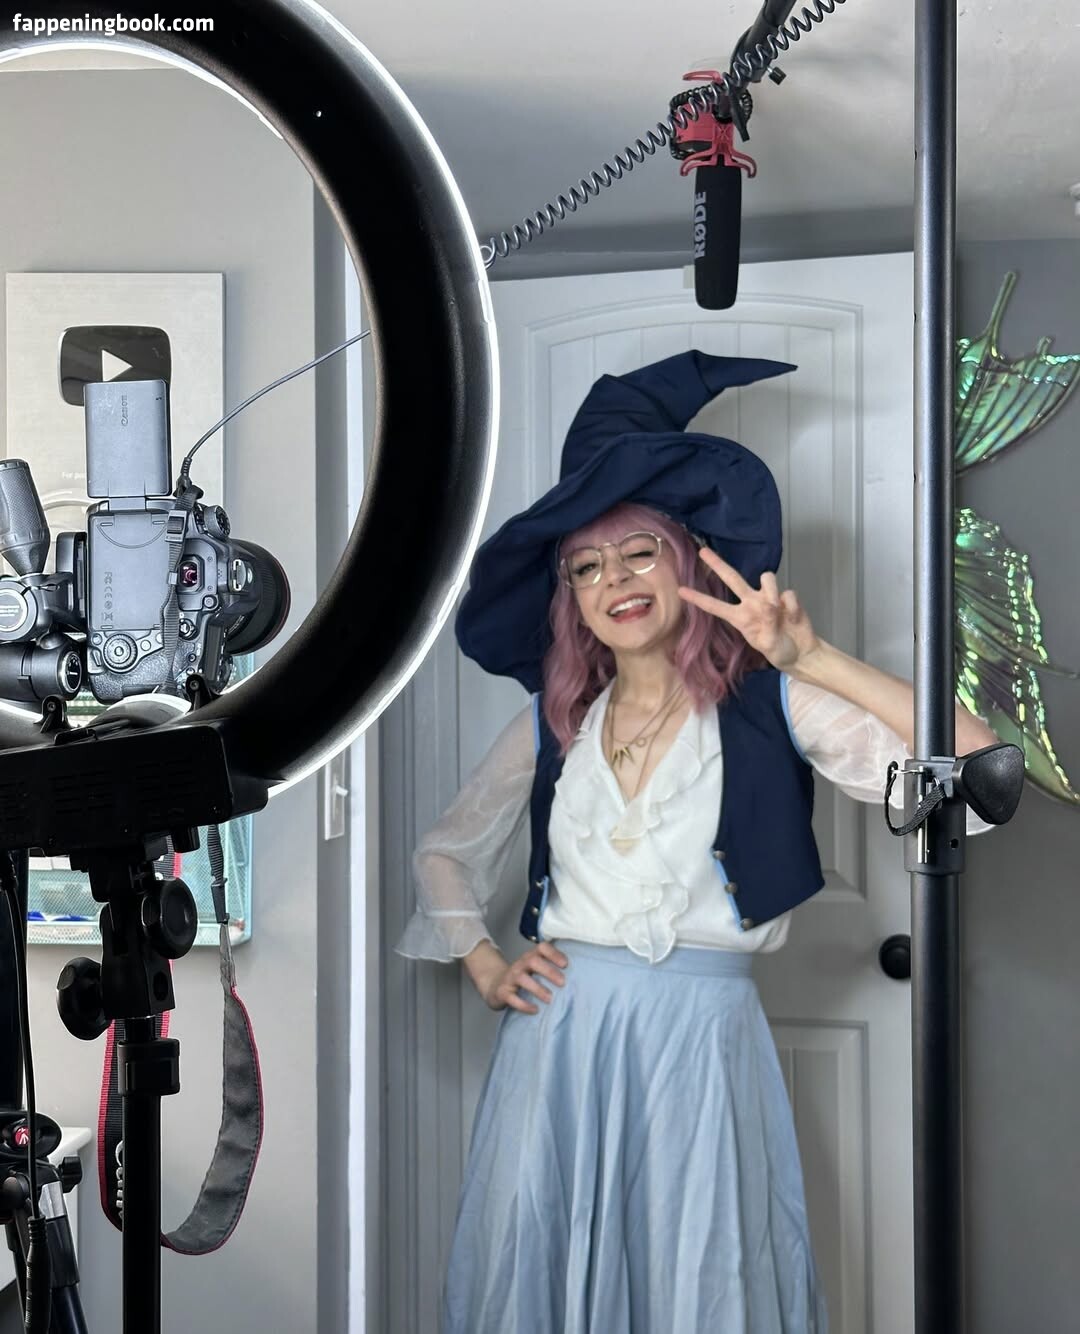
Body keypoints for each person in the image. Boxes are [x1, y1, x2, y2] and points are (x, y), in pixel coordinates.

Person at [396, 350, 996, 1334]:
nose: (615, 581)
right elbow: (445, 851)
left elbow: (974, 776)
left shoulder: (771, 701)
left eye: (639, 553)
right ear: (569, 596)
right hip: (560, 1042)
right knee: (545, 1273)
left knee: (702, 1272)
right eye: (587, 566)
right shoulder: (556, 720)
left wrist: (815, 657)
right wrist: (487, 964)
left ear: (686, 561)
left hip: (701, 1041)